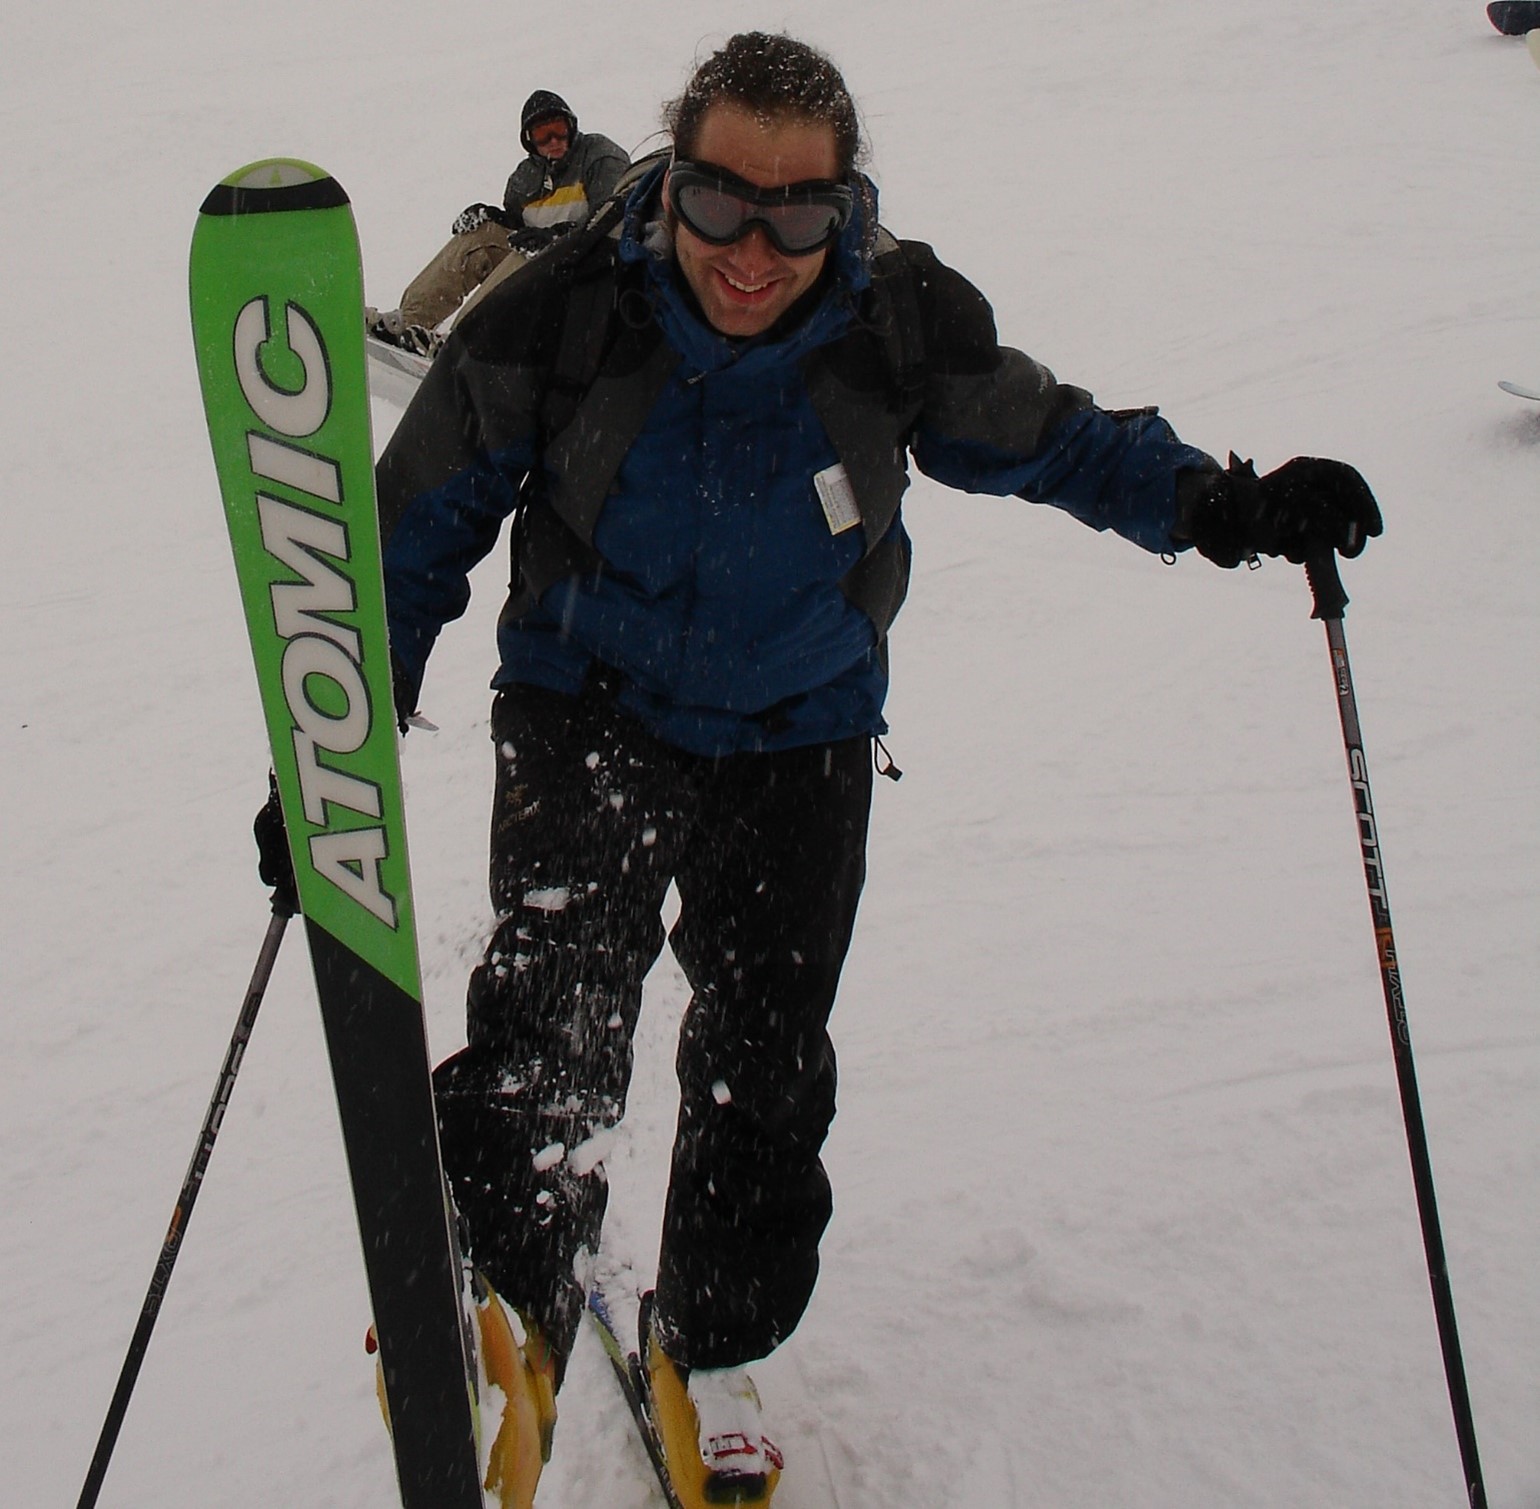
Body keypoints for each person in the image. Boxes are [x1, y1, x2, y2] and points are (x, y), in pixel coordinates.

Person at [302, 30, 1381, 1509]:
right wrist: (330, 752)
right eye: (721, 203)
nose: (755, 251)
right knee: (555, 1007)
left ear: (844, 208)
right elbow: (417, 520)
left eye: (798, 214)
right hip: (589, 703)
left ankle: (719, 1340)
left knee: (765, 1057)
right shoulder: (562, 314)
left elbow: (1056, 439)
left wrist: (1224, 503)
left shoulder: (895, 321)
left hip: (801, 728)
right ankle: (507, 1290)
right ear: (668, 178)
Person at [366, 89, 629, 353]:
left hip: (588, 276)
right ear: (530, 141)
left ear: (571, 127)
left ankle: (457, 345)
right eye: (542, 135)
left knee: (528, 252)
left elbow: (612, 218)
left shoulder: (599, 156)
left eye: (559, 130)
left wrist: (555, 236)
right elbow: (515, 230)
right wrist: (493, 218)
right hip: (537, 282)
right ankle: (410, 321)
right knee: (483, 234)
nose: (553, 141)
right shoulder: (525, 179)